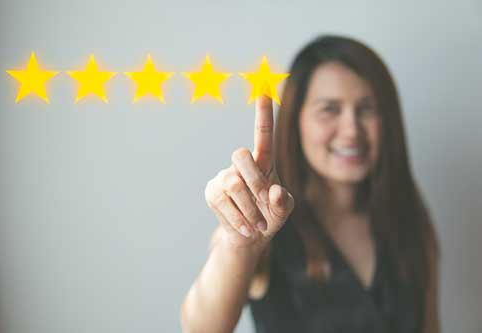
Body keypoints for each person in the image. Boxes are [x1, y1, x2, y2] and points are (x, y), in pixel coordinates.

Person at [180, 35, 440, 333]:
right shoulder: (262, 220)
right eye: (329, 109)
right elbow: (200, 327)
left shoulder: (410, 221)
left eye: (367, 109)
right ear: (296, 122)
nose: (351, 130)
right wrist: (239, 244)